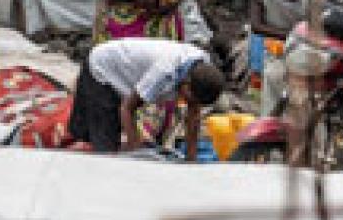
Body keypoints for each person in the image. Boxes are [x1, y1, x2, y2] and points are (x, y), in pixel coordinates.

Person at [67, 37, 225, 159]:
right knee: (106, 147)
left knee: (89, 132)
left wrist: (191, 161)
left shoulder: (202, 66)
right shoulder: (164, 72)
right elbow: (127, 108)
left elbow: (194, 117)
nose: (190, 103)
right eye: (191, 99)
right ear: (187, 83)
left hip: (124, 72)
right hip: (102, 69)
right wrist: (135, 149)